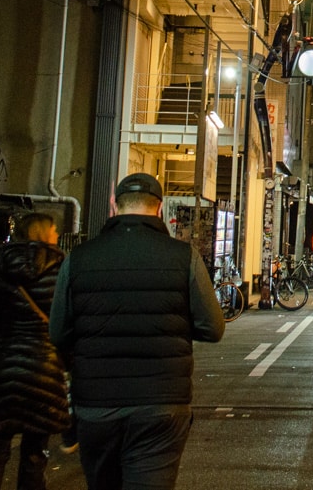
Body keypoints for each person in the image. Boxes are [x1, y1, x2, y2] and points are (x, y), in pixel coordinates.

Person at [49, 173, 225, 490]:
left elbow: (58, 333)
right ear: (159, 209)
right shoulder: (183, 257)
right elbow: (212, 327)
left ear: (113, 205)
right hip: (161, 404)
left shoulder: (79, 259)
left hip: (96, 405)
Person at [0, 212, 69, 490]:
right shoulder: (61, 271)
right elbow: (67, 324)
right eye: (53, 230)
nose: (57, 235)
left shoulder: (0, 268)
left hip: (1, 367)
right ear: (42, 234)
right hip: (45, 370)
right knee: (35, 453)